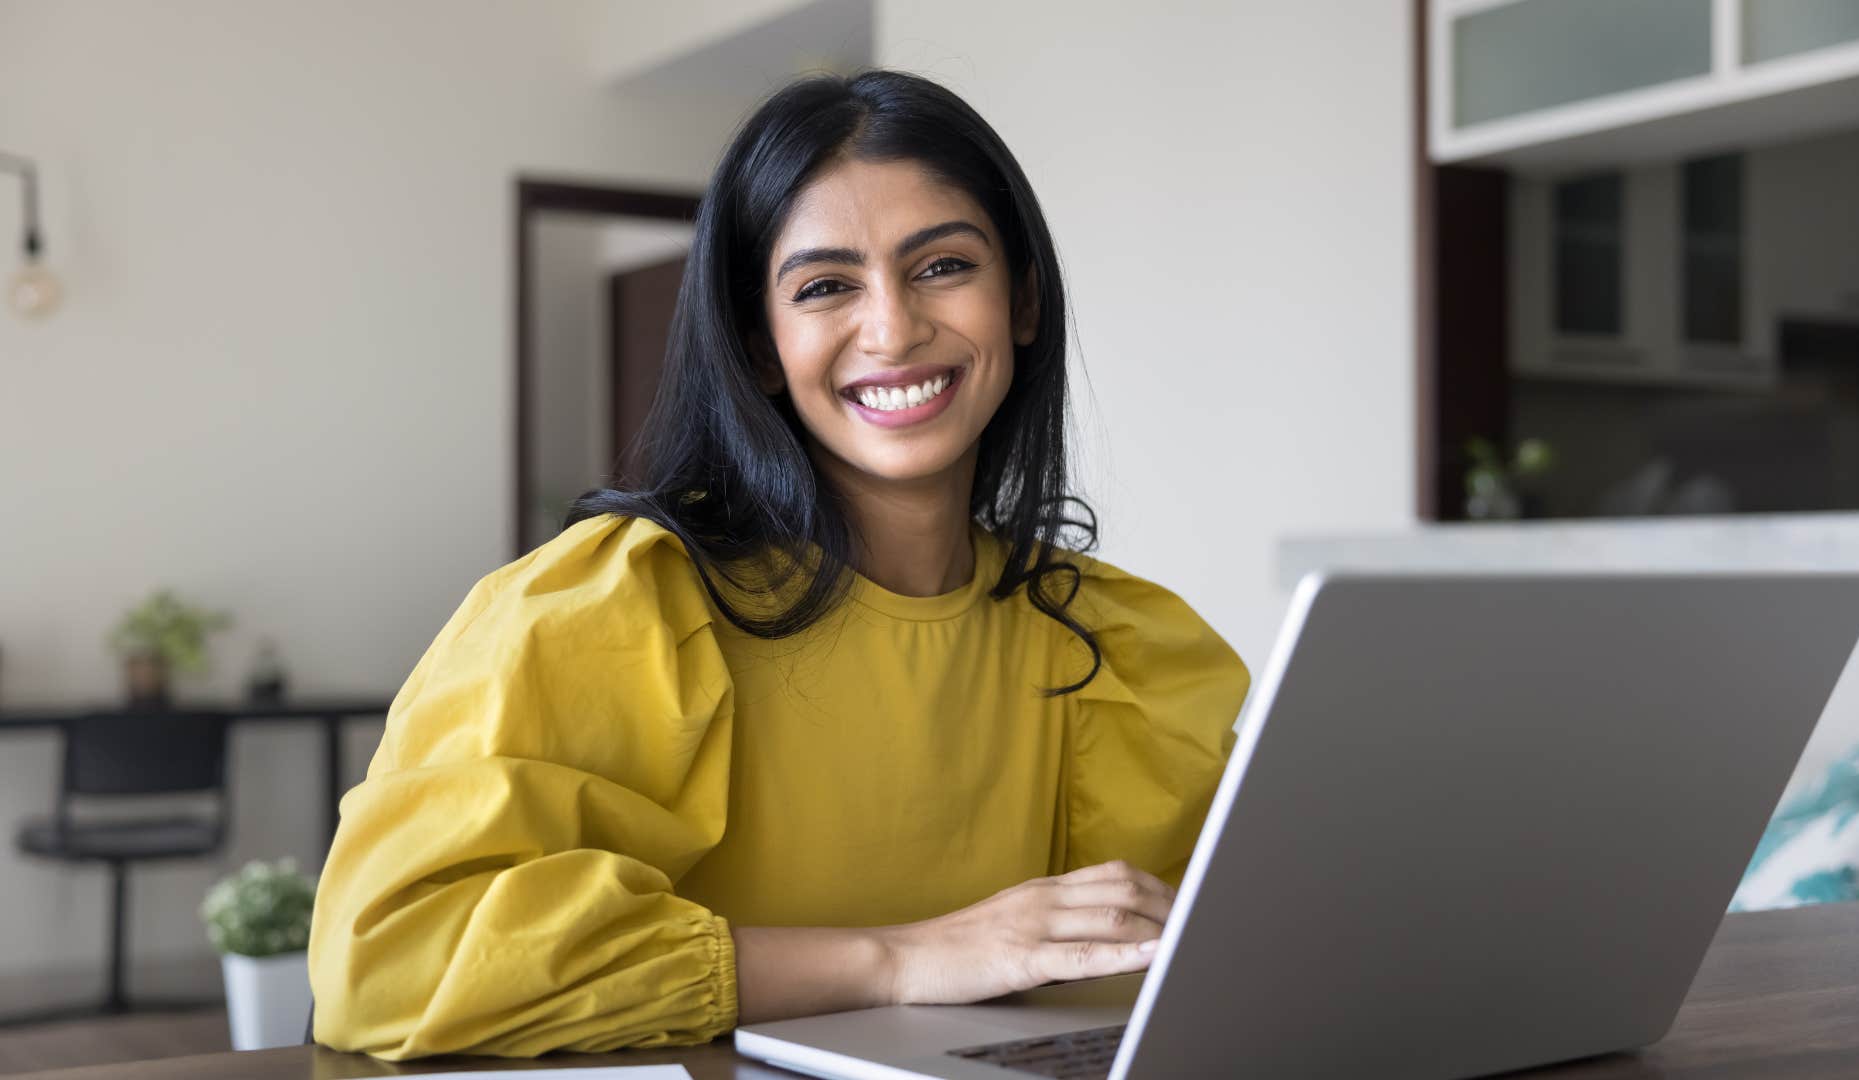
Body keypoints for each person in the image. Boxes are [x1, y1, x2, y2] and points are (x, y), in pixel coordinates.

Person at [309, 68, 1248, 1060]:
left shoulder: (1122, 643)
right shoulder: (617, 606)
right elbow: (388, 961)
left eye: (942, 267)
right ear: (760, 347)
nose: (892, 328)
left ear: (1020, 300)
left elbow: (1209, 951)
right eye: (826, 287)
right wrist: (898, 958)